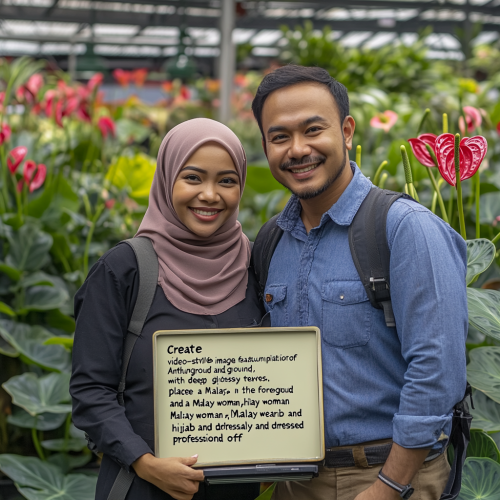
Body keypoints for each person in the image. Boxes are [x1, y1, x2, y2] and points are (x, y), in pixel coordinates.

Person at [250, 65, 467, 500]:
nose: (298, 149)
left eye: (314, 130)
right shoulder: (271, 241)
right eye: (279, 137)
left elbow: (436, 371)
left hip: (387, 477)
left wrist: (388, 487)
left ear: (347, 131)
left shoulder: (404, 229)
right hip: (295, 482)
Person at [70, 118, 264, 500]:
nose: (209, 195)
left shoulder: (258, 266)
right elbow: (91, 390)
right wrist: (144, 461)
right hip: (144, 488)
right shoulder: (124, 269)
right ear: (167, 179)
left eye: (226, 181)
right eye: (192, 178)